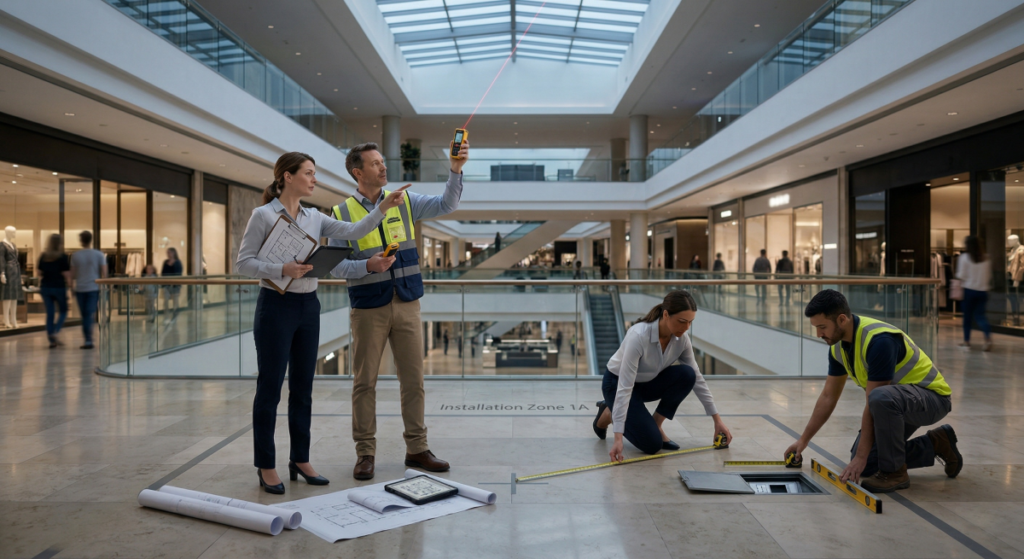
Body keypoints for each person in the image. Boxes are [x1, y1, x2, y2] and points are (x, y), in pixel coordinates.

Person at [236, 151, 409, 494]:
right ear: (287, 176)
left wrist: (383, 208)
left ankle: (300, 459)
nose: (314, 179)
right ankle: (266, 465)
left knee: (304, 389)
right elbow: (243, 263)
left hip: (308, 305)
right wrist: (281, 270)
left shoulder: (315, 216)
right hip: (275, 306)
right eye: (309, 173)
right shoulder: (263, 215)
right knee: (269, 389)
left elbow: (356, 230)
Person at [329, 138, 467, 481]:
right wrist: (367, 267)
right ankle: (365, 453)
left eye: (382, 162)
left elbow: (447, 204)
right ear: (358, 172)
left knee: (414, 380)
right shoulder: (341, 213)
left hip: (406, 302)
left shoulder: (404, 201)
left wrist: (455, 170)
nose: (383, 167)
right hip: (368, 308)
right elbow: (335, 267)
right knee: (364, 383)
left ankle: (417, 448)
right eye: (376, 164)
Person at [784, 289, 961, 492]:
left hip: (932, 399)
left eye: (822, 327)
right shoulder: (838, 348)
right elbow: (828, 397)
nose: (819, 334)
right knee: (868, 464)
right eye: (816, 328)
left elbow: (874, 399)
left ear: (841, 319)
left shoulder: (880, 341)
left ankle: (895, 473)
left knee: (878, 401)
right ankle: (937, 443)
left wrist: (860, 455)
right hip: (896, 403)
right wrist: (803, 440)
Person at [592, 290, 732, 458]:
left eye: (690, 322)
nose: (686, 327)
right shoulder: (638, 336)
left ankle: (657, 424)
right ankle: (608, 412)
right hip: (616, 384)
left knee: (688, 374)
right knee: (652, 445)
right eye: (682, 321)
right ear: (666, 315)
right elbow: (625, 386)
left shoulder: (682, 340)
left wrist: (717, 421)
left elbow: (697, 379)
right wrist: (618, 438)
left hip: (646, 383)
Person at [69, 230, 107, 350]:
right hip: (93, 288)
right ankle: (88, 340)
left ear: (81, 241)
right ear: (91, 240)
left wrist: (71, 288)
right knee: (88, 314)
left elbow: (72, 274)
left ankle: (88, 340)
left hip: (80, 288)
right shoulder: (99, 254)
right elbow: (104, 272)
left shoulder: (76, 255)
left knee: (85, 315)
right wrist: (104, 287)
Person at [957, 235, 992, 351]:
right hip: (983, 291)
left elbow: (961, 275)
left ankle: (966, 342)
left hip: (969, 290)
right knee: (980, 316)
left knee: (967, 318)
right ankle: (987, 339)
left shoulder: (964, 258)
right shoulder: (986, 258)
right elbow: (989, 276)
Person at [37, 234, 70, 348]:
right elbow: (66, 274)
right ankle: (55, 332)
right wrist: (72, 286)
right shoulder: (63, 257)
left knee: (50, 314)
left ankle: (52, 341)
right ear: (60, 243)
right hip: (59, 287)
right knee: (63, 311)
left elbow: (39, 273)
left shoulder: (43, 256)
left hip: (45, 287)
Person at [161, 247, 183, 318]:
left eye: (169, 252)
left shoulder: (178, 262)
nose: (168, 254)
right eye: (167, 252)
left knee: (175, 300)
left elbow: (179, 273)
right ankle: (166, 313)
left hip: (175, 285)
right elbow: (163, 273)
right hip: (166, 284)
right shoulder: (165, 262)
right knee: (166, 300)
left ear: (173, 253)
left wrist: (177, 283)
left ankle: (175, 313)